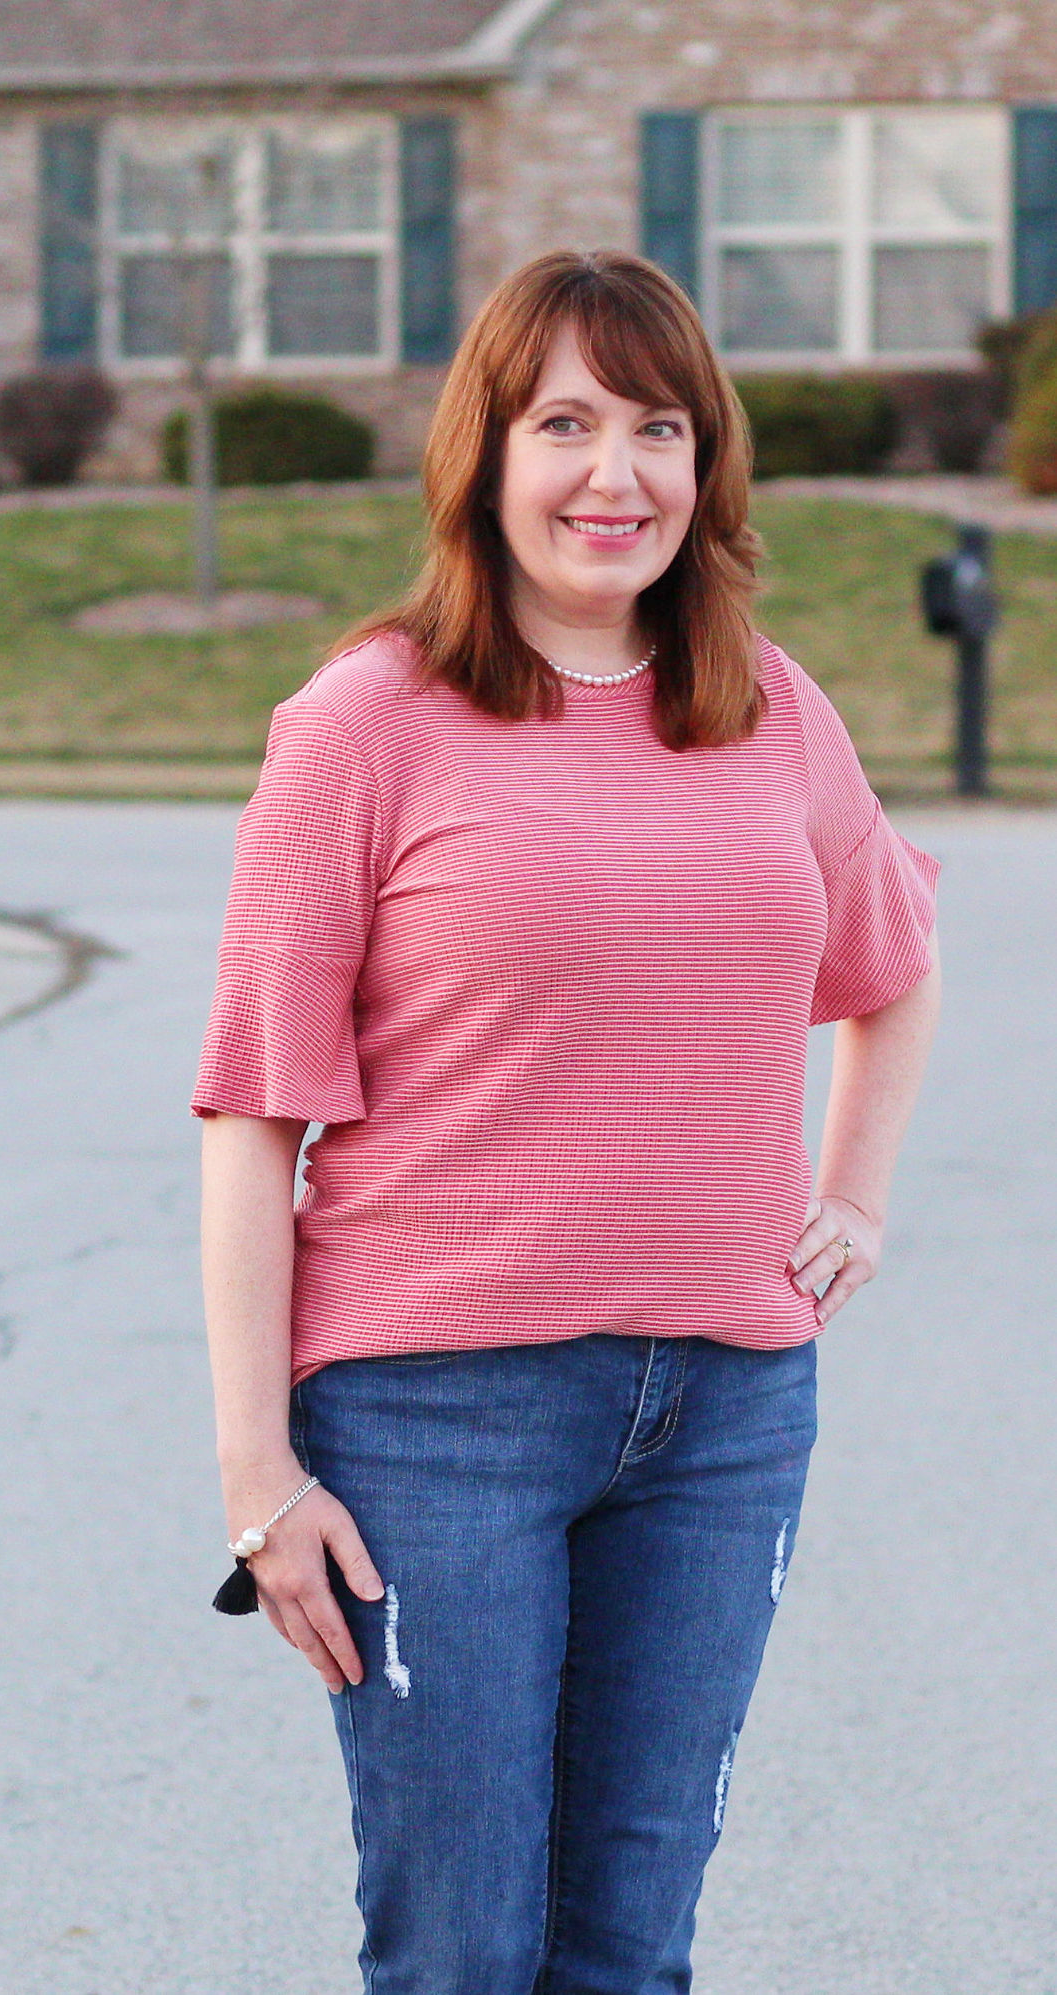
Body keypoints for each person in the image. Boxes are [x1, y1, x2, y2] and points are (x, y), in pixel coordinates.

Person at [192, 248, 941, 1995]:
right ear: (485, 455)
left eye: (659, 428)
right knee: (461, 1950)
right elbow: (252, 1116)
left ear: (706, 466)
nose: (615, 476)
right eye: (567, 424)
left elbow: (891, 960)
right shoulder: (364, 723)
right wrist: (255, 1477)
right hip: (433, 1426)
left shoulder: (765, 706)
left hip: (725, 1417)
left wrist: (857, 1198)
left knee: (629, 1948)